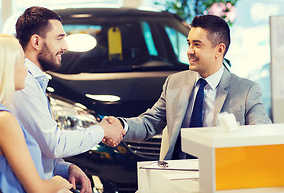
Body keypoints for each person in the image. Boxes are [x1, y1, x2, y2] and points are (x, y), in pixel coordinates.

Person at [106, 14, 272, 160]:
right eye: (189, 44)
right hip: (176, 172)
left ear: (219, 50)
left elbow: (263, 134)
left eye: (197, 45)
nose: (189, 51)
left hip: (221, 173)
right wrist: (122, 126)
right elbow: (150, 122)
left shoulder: (246, 91)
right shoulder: (174, 82)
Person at [11, 6, 125, 193]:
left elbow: (37, 147)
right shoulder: (23, 85)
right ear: (37, 42)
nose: (65, 47)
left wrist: (65, 168)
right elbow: (53, 144)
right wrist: (102, 130)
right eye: (59, 38)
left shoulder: (34, 80)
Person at [0, 34, 73, 192]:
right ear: (5, 69)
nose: (26, 69)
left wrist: (64, 169)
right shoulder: (2, 120)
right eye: (22, 62)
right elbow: (38, 189)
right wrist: (60, 182)